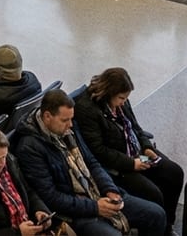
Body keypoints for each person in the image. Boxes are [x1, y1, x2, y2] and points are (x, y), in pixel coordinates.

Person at [13, 89, 167, 236]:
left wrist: (109, 189)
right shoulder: (29, 147)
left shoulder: (68, 130)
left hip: (95, 192)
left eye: (71, 119)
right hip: (74, 212)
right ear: (47, 116)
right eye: (65, 120)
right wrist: (95, 208)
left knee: (156, 215)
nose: (71, 125)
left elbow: (91, 162)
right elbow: (51, 198)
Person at [73, 68, 185, 231]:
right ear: (109, 92)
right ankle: (157, 227)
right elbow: (99, 151)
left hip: (136, 152)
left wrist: (146, 147)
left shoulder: (120, 102)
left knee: (174, 172)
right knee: (153, 193)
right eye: (121, 98)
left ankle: (167, 224)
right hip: (118, 164)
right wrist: (132, 164)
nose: (124, 102)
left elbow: (135, 127)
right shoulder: (88, 109)